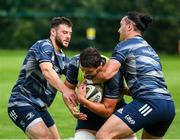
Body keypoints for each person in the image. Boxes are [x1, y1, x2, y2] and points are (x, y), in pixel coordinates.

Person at [87, 11, 176, 139]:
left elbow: (106, 74)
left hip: (150, 103)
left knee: (104, 135)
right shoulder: (150, 49)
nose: (118, 30)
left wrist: (87, 81)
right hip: (168, 106)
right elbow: (148, 84)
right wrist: (124, 90)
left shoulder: (125, 45)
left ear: (129, 26)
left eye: (121, 25)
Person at [8, 16, 77, 139]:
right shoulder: (44, 45)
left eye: (70, 34)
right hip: (21, 102)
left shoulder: (64, 59)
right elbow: (46, 70)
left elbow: (73, 82)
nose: (68, 36)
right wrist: (65, 90)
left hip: (40, 108)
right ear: (53, 32)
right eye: (64, 32)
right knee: (45, 138)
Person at [63, 47, 137, 139]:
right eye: (83, 70)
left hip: (115, 110)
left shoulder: (112, 73)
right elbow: (67, 89)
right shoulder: (75, 63)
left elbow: (107, 111)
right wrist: (72, 108)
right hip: (88, 113)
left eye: (89, 71)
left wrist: (83, 100)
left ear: (100, 67)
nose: (85, 74)